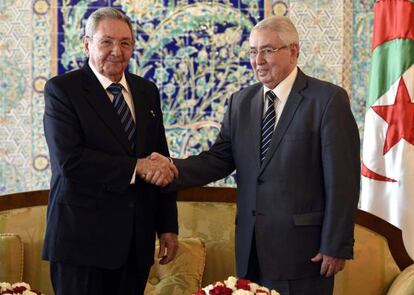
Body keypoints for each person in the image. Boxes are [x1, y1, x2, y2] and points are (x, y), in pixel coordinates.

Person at [148, 15, 360, 295]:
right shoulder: (241, 102)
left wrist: (336, 244)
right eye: (252, 51)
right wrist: (171, 169)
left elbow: (343, 180)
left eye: (268, 50)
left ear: (293, 51)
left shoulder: (327, 100)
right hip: (250, 251)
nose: (257, 60)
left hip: (304, 253)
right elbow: (218, 159)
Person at [42, 7, 179, 295]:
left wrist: (167, 226)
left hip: (135, 243)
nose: (117, 51)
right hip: (82, 244)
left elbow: (159, 158)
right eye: (107, 42)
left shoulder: (146, 91)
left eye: (125, 43)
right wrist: (136, 167)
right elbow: (71, 161)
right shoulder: (63, 90)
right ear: (87, 44)